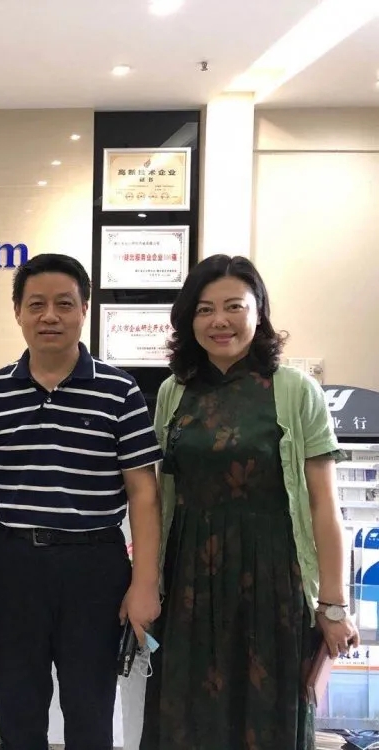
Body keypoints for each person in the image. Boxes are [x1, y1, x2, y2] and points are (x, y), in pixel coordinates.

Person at [140, 255, 359, 750]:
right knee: (187, 716)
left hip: (272, 578)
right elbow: (158, 495)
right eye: (204, 309)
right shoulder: (174, 391)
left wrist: (332, 603)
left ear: (259, 312)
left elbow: (324, 505)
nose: (219, 320)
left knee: (266, 716)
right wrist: (148, 580)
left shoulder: (295, 390)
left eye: (234, 306)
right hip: (188, 579)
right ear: (188, 319)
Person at [0, 253, 163, 750]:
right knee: (18, 708)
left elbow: (144, 492)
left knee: (90, 709)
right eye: (36, 304)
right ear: (17, 311)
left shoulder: (120, 392)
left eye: (64, 304)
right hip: (13, 563)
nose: (49, 316)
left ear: (84, 309)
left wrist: (144, 584)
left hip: (94, 567)